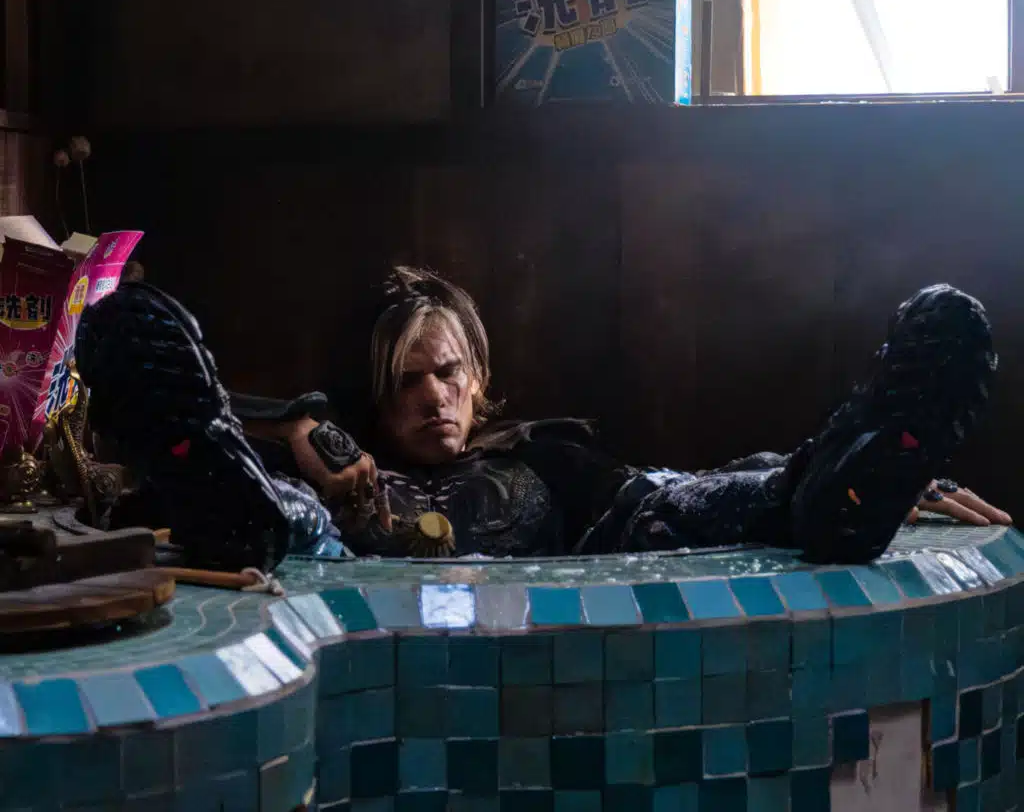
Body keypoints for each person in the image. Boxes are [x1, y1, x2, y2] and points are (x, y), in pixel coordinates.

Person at [73, 270, 1009, 572]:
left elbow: (684, 487)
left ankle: (847, 469)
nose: (433, 396)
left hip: (585, 548)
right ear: (376, 397)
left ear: (479, 378)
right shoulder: (341, 470)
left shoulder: (540, 454)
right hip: (317, 550)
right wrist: (292, 428)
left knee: (671, 507)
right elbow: (180, 446)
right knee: (284, 519)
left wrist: (828, 467)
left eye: (448, 373)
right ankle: (236, 512)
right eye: (407, 382)